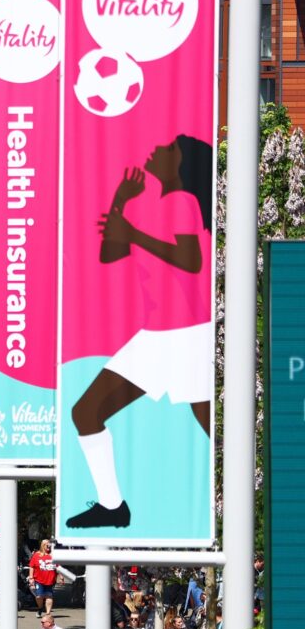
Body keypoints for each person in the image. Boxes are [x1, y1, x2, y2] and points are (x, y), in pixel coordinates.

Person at [67, 137, 214, 530]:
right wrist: (119, 200)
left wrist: (132, 233)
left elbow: (190, 258)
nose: (159, 149)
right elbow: (109, 253)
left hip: (185, 334)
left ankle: (249, 489)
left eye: (170, 148)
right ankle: (113, 507)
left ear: (180, 164)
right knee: (86, 412)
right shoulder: (151, 205)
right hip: (158, 335)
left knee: (214, 427)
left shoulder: (182, 202)